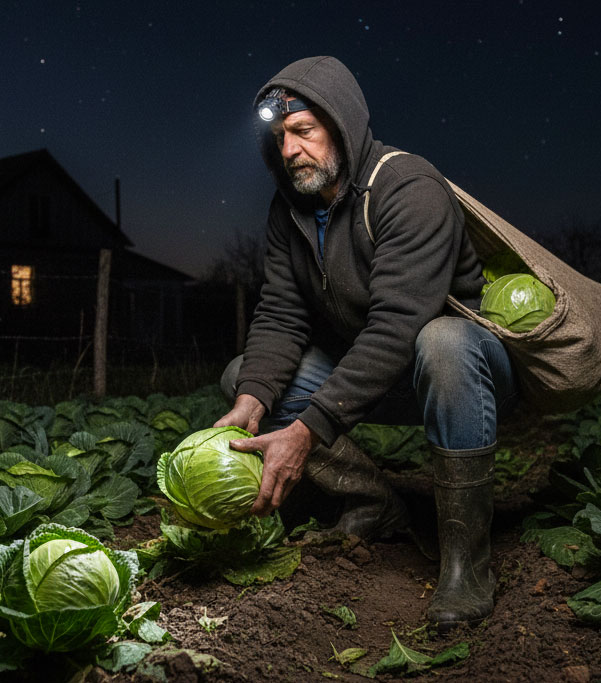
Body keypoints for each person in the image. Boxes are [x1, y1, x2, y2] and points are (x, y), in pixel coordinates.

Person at [213, 56, 519, 632]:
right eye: (279, 138)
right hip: (378, 376)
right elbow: (281, 314)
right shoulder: (291, 210)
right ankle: (376, 502)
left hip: (463, 379)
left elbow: (399, 325)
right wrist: (252, 401)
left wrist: (309, 429)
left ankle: (466, 565)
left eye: (303, 131)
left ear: (343, 125)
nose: (289, 151)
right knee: (242, 377)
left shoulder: (410, 187)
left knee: (444, 340)